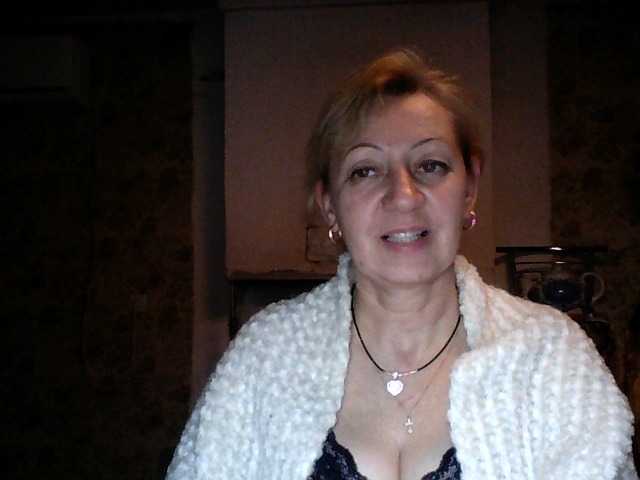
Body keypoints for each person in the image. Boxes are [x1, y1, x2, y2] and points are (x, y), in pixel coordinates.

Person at [166, 49, 637, 479]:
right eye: (365, 170)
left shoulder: (551, 356)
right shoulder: (263, 359)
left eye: (430, 165)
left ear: (469, 188)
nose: (404, 195)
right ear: (329, 205)